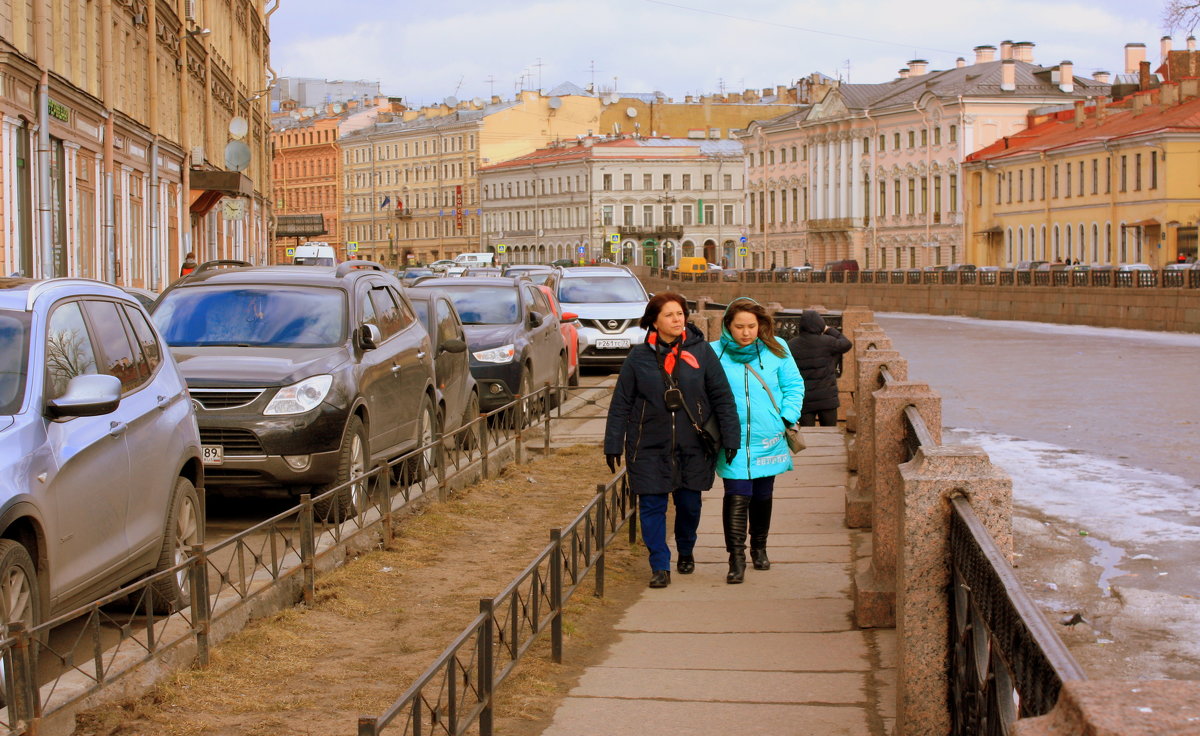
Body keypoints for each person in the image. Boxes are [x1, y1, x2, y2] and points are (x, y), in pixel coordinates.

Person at [604, 293, 739, 589]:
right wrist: (613, 442)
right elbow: (621, 403)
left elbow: (722, 397)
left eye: (680, 314)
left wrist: (731, 436)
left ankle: (686, 548)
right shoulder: (638, 357)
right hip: (648, 445)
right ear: (654, 321)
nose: (678, 320)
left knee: (689, 505)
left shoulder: (702, 353)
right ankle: (659, 564)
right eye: (670, 315)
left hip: (693, 446)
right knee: (651, 505)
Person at [712, 298, 804, 583]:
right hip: (732, 438)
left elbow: (794, 386)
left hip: (769, 436)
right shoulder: (714, 353)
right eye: (739, 326)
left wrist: (786, 417)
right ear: (728, 326)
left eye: (751, 326)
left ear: (761, 325)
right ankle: (736, 558)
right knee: (737, 494)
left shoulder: (778, 348)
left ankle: (759, 547)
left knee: (763, 494)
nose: (746, 332)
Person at [787, 310, 853, 428]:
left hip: (804, 399)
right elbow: (846, 343)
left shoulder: (791, 344)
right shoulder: (828, 342)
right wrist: (829, 329)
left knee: (808, 437)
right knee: (830, 434)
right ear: (820, 324)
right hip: (827, 398)